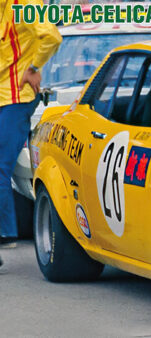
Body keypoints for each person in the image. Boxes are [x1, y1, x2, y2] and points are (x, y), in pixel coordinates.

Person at [0, 0, 62, 258]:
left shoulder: (22, 3)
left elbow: (51, 36)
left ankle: (5, 233)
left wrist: (34, 67)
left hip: (17, 98)